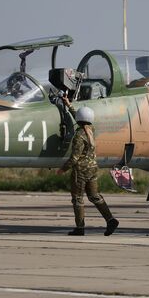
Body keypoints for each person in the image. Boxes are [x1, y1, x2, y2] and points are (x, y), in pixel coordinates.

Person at [57, 95, 119, 236]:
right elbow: (81, 119)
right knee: (94, 196)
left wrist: (63, 169)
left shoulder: (79, 135)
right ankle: (110, 220)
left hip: (81, 171)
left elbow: (74, 158)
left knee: (78, 199)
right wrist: (69, 105)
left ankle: (80, 228)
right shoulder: (91, 129)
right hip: (93, 169)